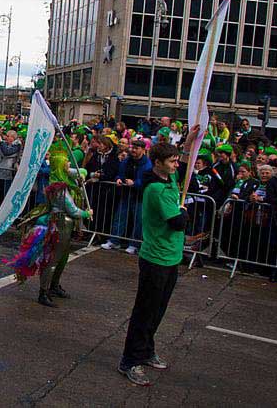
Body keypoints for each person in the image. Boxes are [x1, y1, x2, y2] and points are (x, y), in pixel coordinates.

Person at [118, 125, 199, 386]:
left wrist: (187, 142)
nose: (176, 165)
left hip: (172, 257)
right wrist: (184, 212)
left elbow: (183, 169)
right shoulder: (155, 189)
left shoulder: (169, 178)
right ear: (157, 164)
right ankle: (130, 360)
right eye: (172, 161)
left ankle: (147, 350)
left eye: (176, 160)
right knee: (144, 311)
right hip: (155, 259)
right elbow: (177, 222)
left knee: (158, 310)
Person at [4, 140, 91, 307]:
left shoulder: (62, 179)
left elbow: (79, 172)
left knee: (62, 259)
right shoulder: (58, 188)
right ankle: (43, 292)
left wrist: (86, 173)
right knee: (53, 260)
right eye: (65, 163)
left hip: (66, 226)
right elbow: (72, 210)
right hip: (59, 225)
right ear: (59, 165)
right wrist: (87, 213)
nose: (68, 166)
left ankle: (54, 286)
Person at [103, 140, 152, 254]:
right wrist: (118, 179)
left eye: (136, 148)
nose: (133, 150)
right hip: (126, 194)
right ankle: (114, 240)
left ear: (143, 150)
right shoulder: (127, 161)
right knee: (120, 217)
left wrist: (135, 183)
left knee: (138, 221)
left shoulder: (147, 164)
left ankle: (134, 244)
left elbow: (145, 180)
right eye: (132, 148)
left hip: (139, 196)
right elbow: (120, 173)